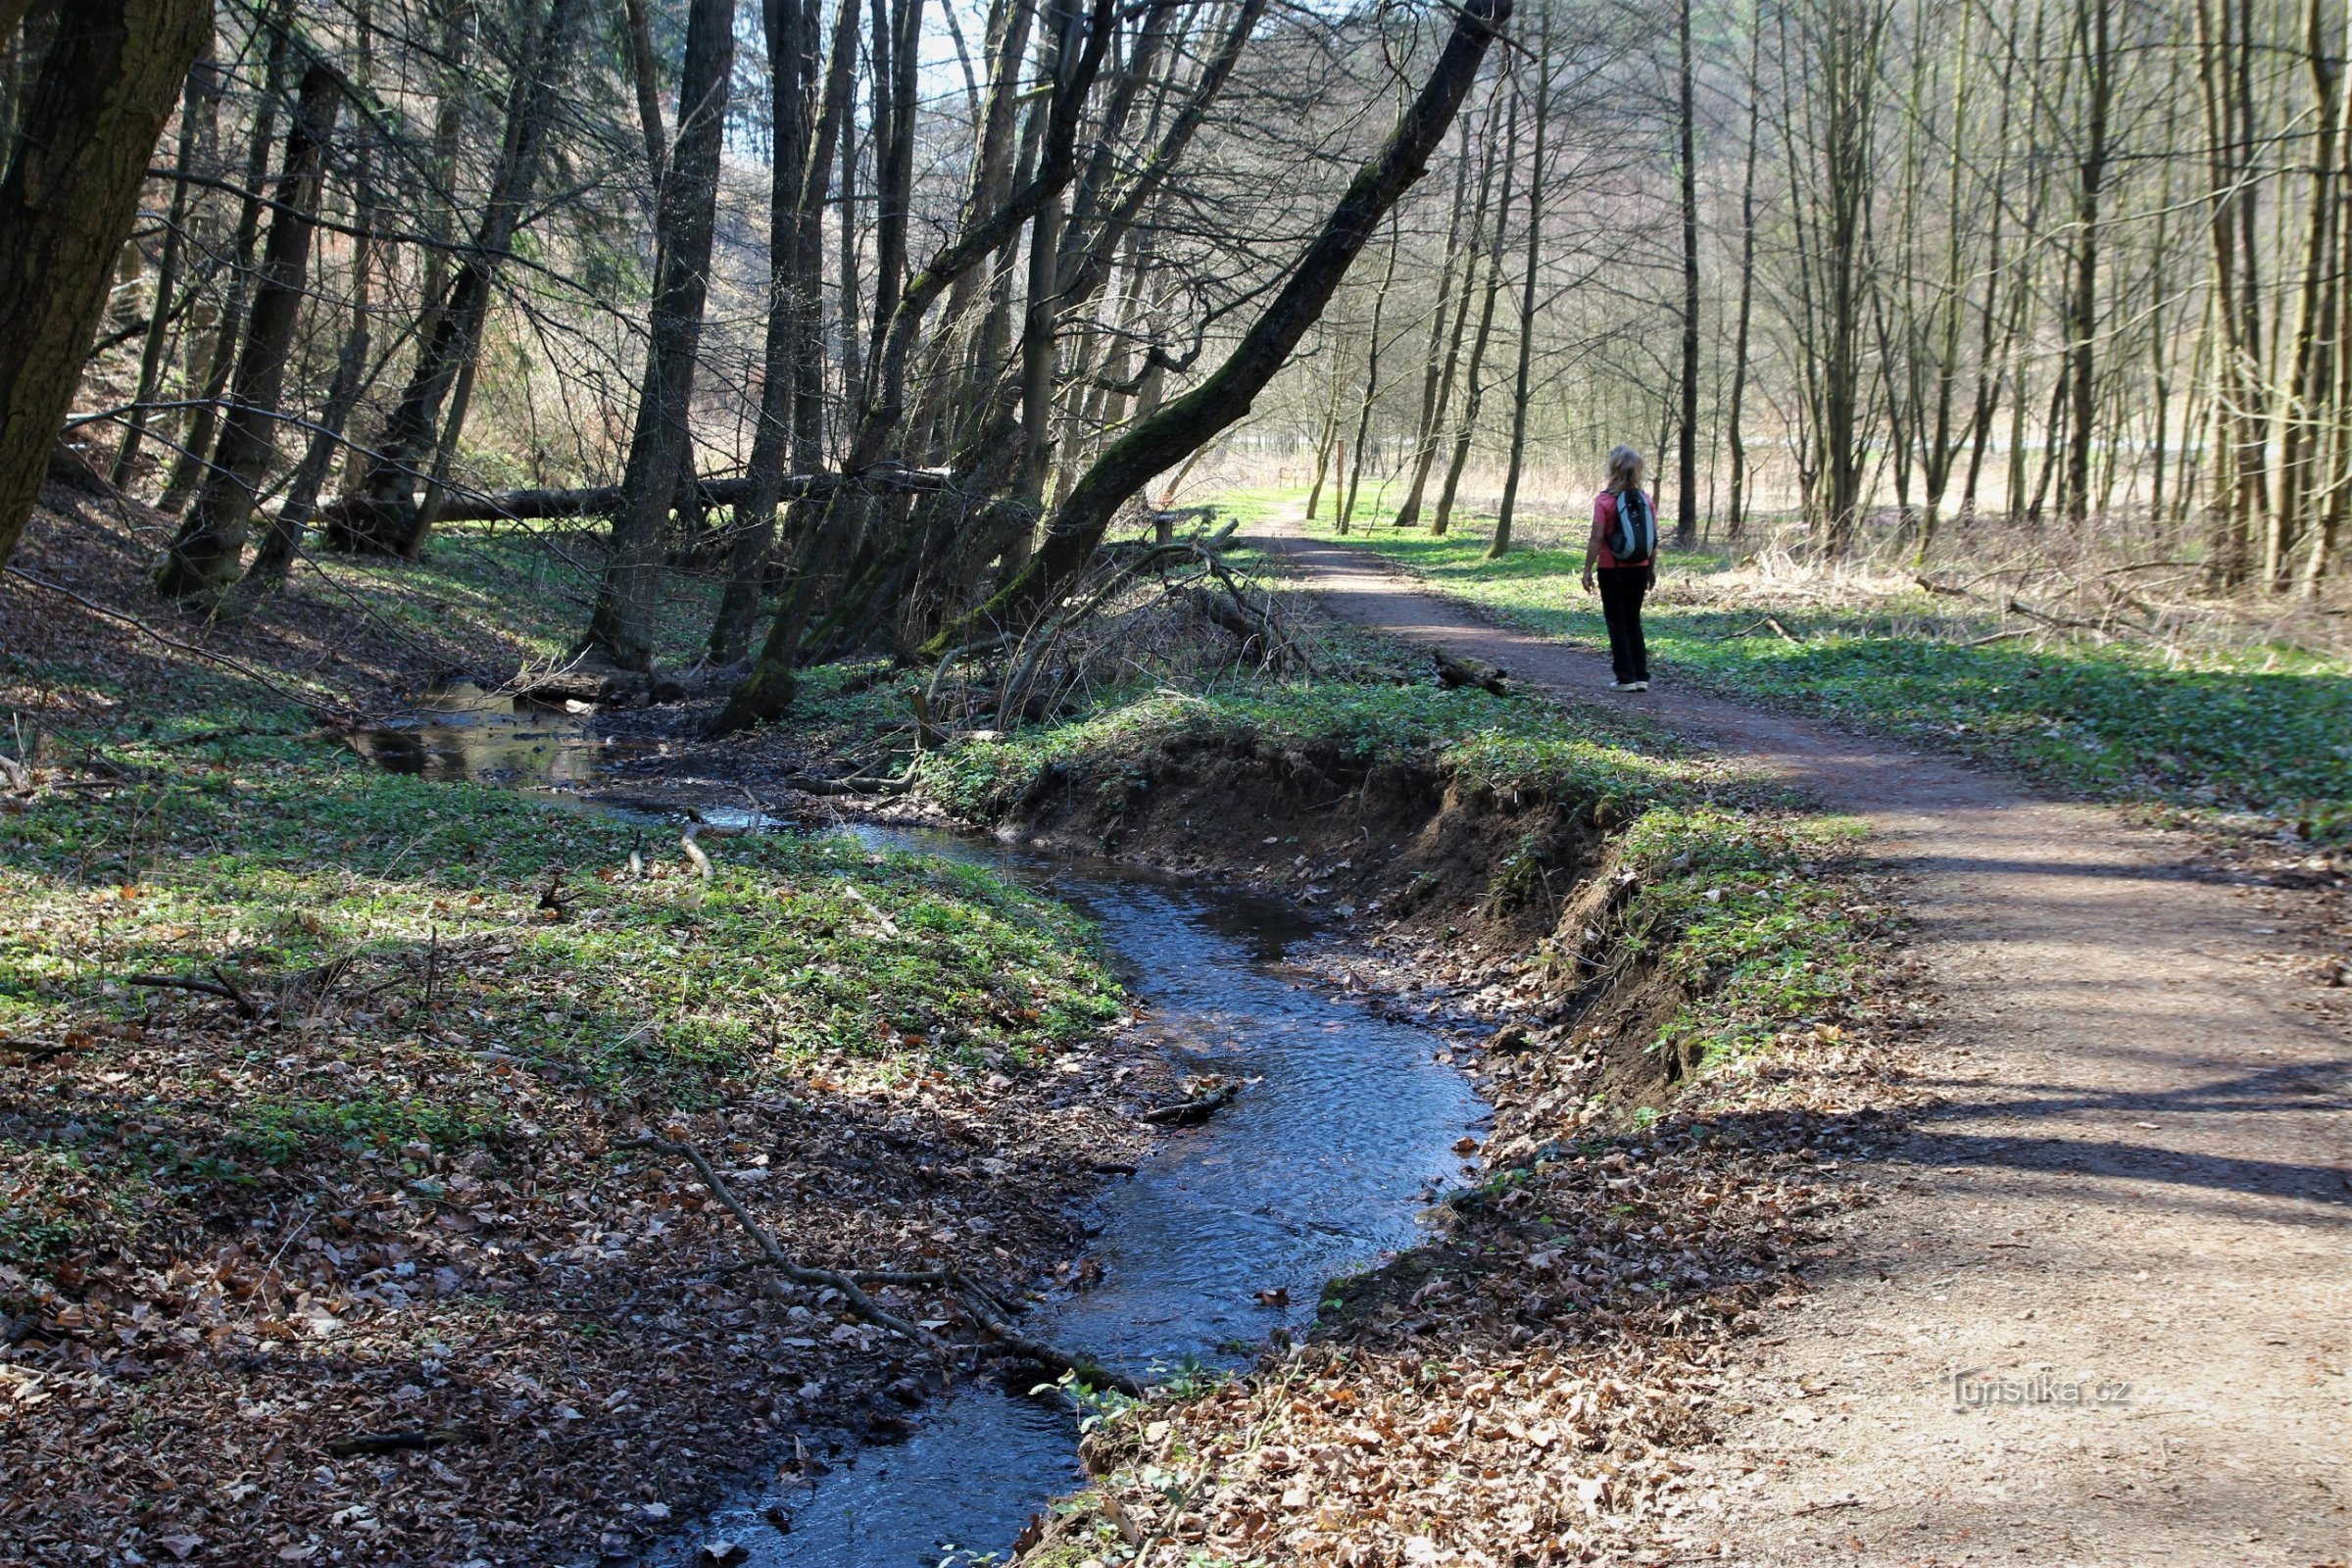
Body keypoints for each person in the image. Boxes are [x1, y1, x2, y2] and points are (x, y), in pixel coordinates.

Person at [1580, 444, 1657, 692]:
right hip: (1640, 567)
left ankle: (1625, 678)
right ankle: (1641, 676)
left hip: (1612, 568)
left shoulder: (1604, 500)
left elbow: (1596, 537)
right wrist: (1651, 570)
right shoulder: (1646, 500)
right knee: (1633, 619)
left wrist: (1587, 569)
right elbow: (1653, 538)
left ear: (1612, 470)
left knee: (1616, 621)